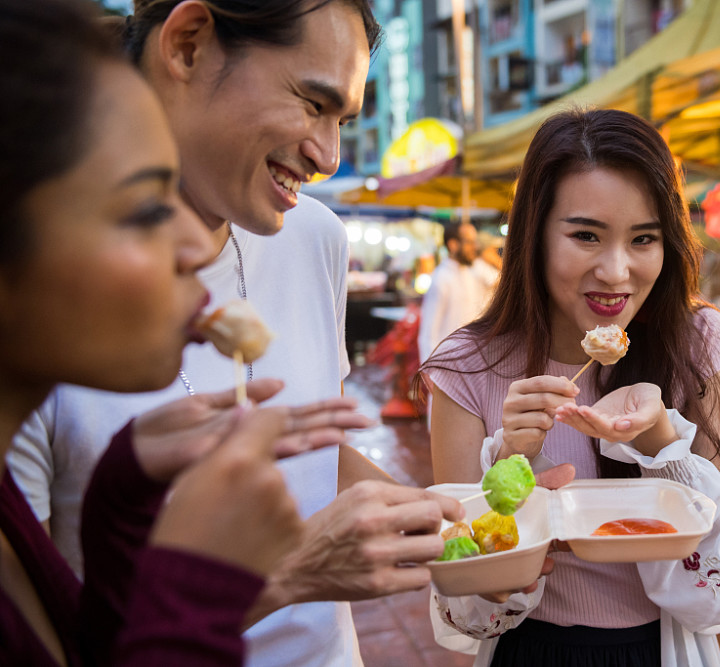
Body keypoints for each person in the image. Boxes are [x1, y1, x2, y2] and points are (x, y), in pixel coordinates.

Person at [9, 2, 464, 666]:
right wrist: (281, 574)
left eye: (344, 120)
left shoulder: (315, 238)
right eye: (142, 205)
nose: (329, 157)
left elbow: (314, 454)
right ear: (188, 46)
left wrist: (449, 524)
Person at [420, 109, 720, 666]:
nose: (617, 272)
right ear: (535, 235)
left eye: (643, 238)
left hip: (664, 650)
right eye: (585, 236)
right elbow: (466, 606)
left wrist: (660, 444)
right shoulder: (466, 366)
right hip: (530, 652)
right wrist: (508, 468)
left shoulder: (696, 343)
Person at [418, 221, 499, 364]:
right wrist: (428, 369)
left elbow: (503, 284)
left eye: (475, 242)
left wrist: (495, 260)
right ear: (453, 245)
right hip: (449, 363)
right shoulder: (441, 278)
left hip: (474, 360)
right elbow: (428, 332)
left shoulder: (474, 268)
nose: (475, 247)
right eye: (469, 242)